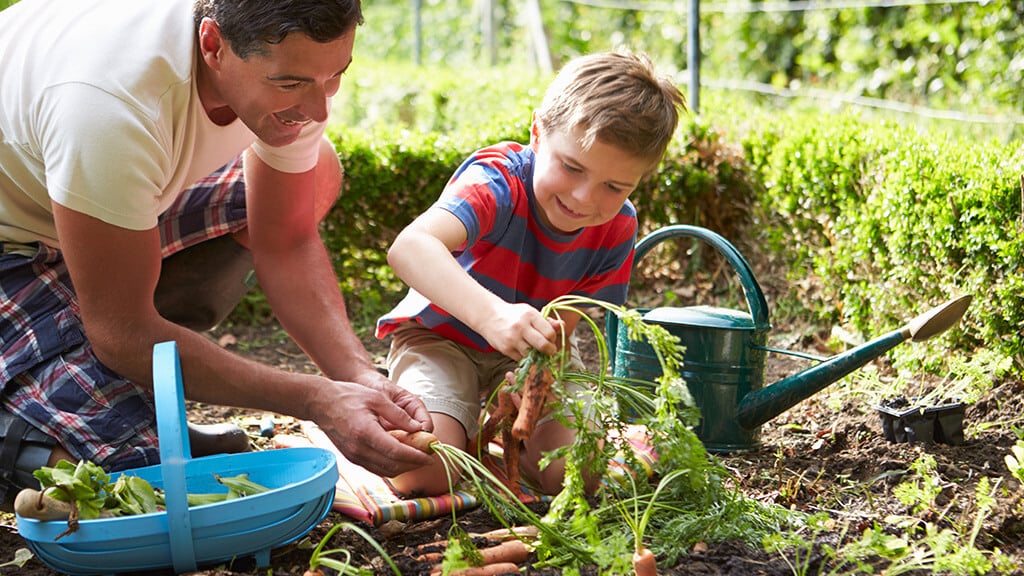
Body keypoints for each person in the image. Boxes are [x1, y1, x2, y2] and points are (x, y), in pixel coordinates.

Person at [0, 0, 434, 509]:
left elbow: (287, 240)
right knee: (130, 482)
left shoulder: (294, 72)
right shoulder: (110, 105)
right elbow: (122, 332)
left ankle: (102, 355)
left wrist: (357, 377)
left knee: (316, 170)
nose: (319, 108)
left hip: (92, 199)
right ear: (213, 45)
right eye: (291, 83)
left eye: (336, 74)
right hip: (15, 243)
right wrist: (316, 399)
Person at [375, 50, 687, 497]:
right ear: (537, 133)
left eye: (614, 187)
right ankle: (443, 423)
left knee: (575, 475)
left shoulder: (618, 228)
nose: (583, 197)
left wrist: (533, 377)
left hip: (531, 355)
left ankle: (484, 432)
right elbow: (409, 247)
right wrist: (491, 317)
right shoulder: (497, 182)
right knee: (422, 471)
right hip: (441, 337)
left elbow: (564, 328)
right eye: (571, 167)